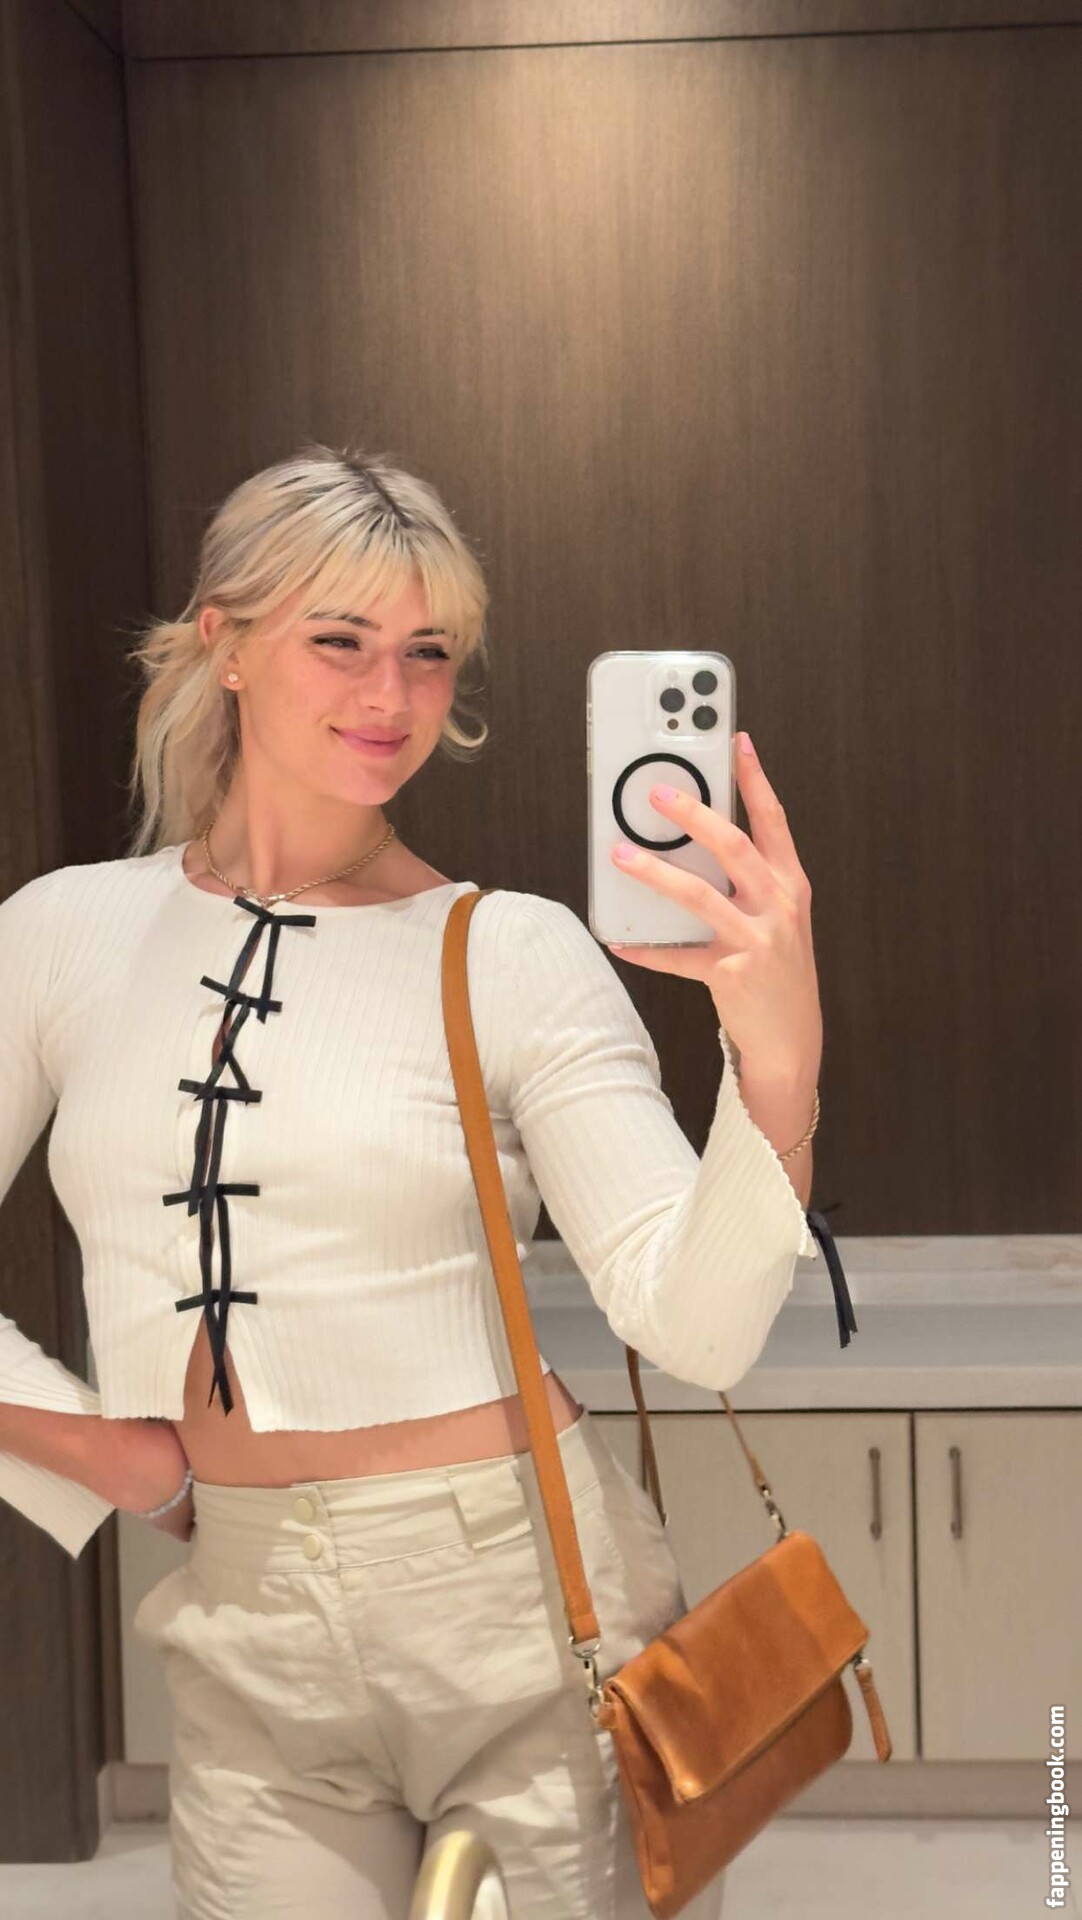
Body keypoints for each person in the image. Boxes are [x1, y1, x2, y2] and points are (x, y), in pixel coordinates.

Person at [0, 444, 823, 1918]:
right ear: (226, 641)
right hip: (243, 1624)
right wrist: (105, 1454)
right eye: (341, 641)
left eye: (428, 653)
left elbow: (695, 1331)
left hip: (523, 1604)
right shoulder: (62, 935)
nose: (391, 696)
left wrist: (776, 1062)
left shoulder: (511, 949)